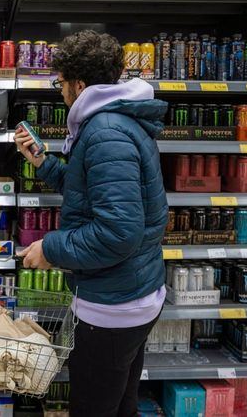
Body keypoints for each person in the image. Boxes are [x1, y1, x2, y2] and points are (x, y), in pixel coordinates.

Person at [15, 30, 169, 417]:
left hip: (114, 309)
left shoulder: (103, 133)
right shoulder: (114, 122)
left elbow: (118, 231)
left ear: (79, 84)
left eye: (61, 82)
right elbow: (93, 191)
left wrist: (49, 249)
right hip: (131, 295)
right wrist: (44, 163)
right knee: (121, 405)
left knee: (92, 407)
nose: (60, 90)